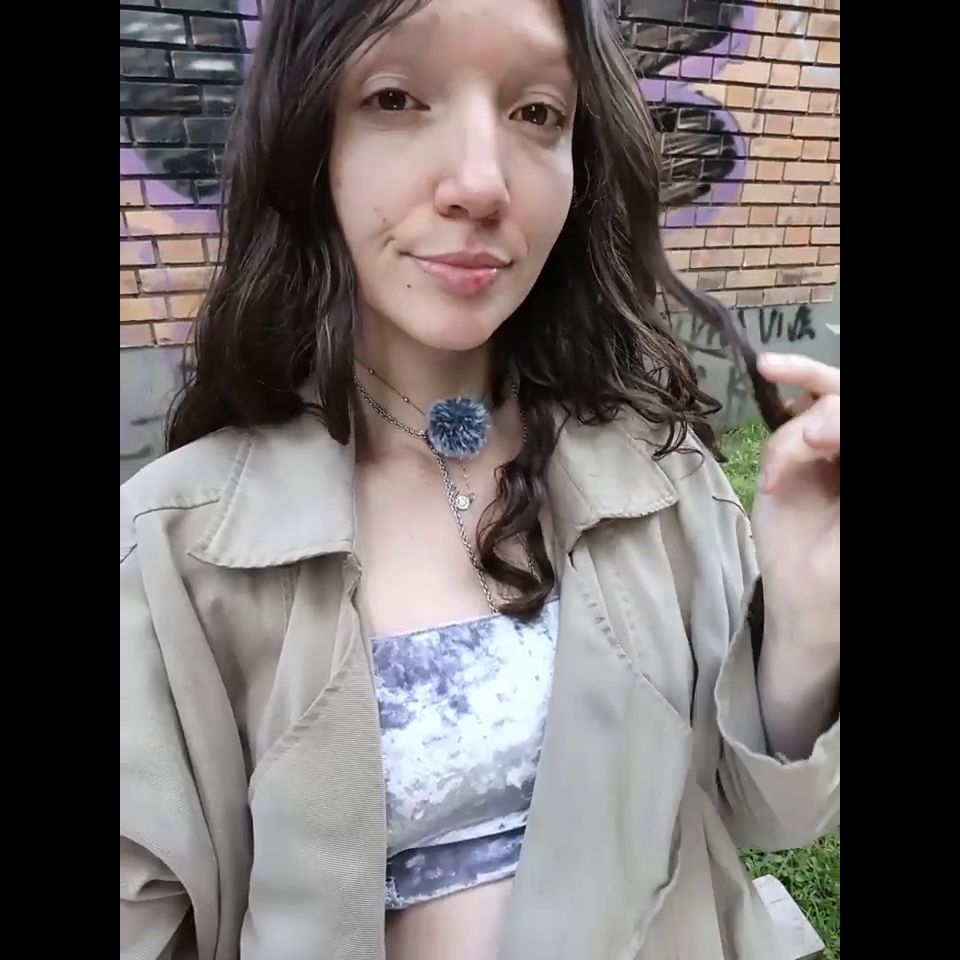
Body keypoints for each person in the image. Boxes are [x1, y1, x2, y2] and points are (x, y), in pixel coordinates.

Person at [119, 0, 840, 957]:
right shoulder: (173, 547)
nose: (480, 183)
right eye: (395, 97)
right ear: (307, 138)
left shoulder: (661, 476)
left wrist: (808, 614)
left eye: (537, 112)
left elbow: (766, 814)